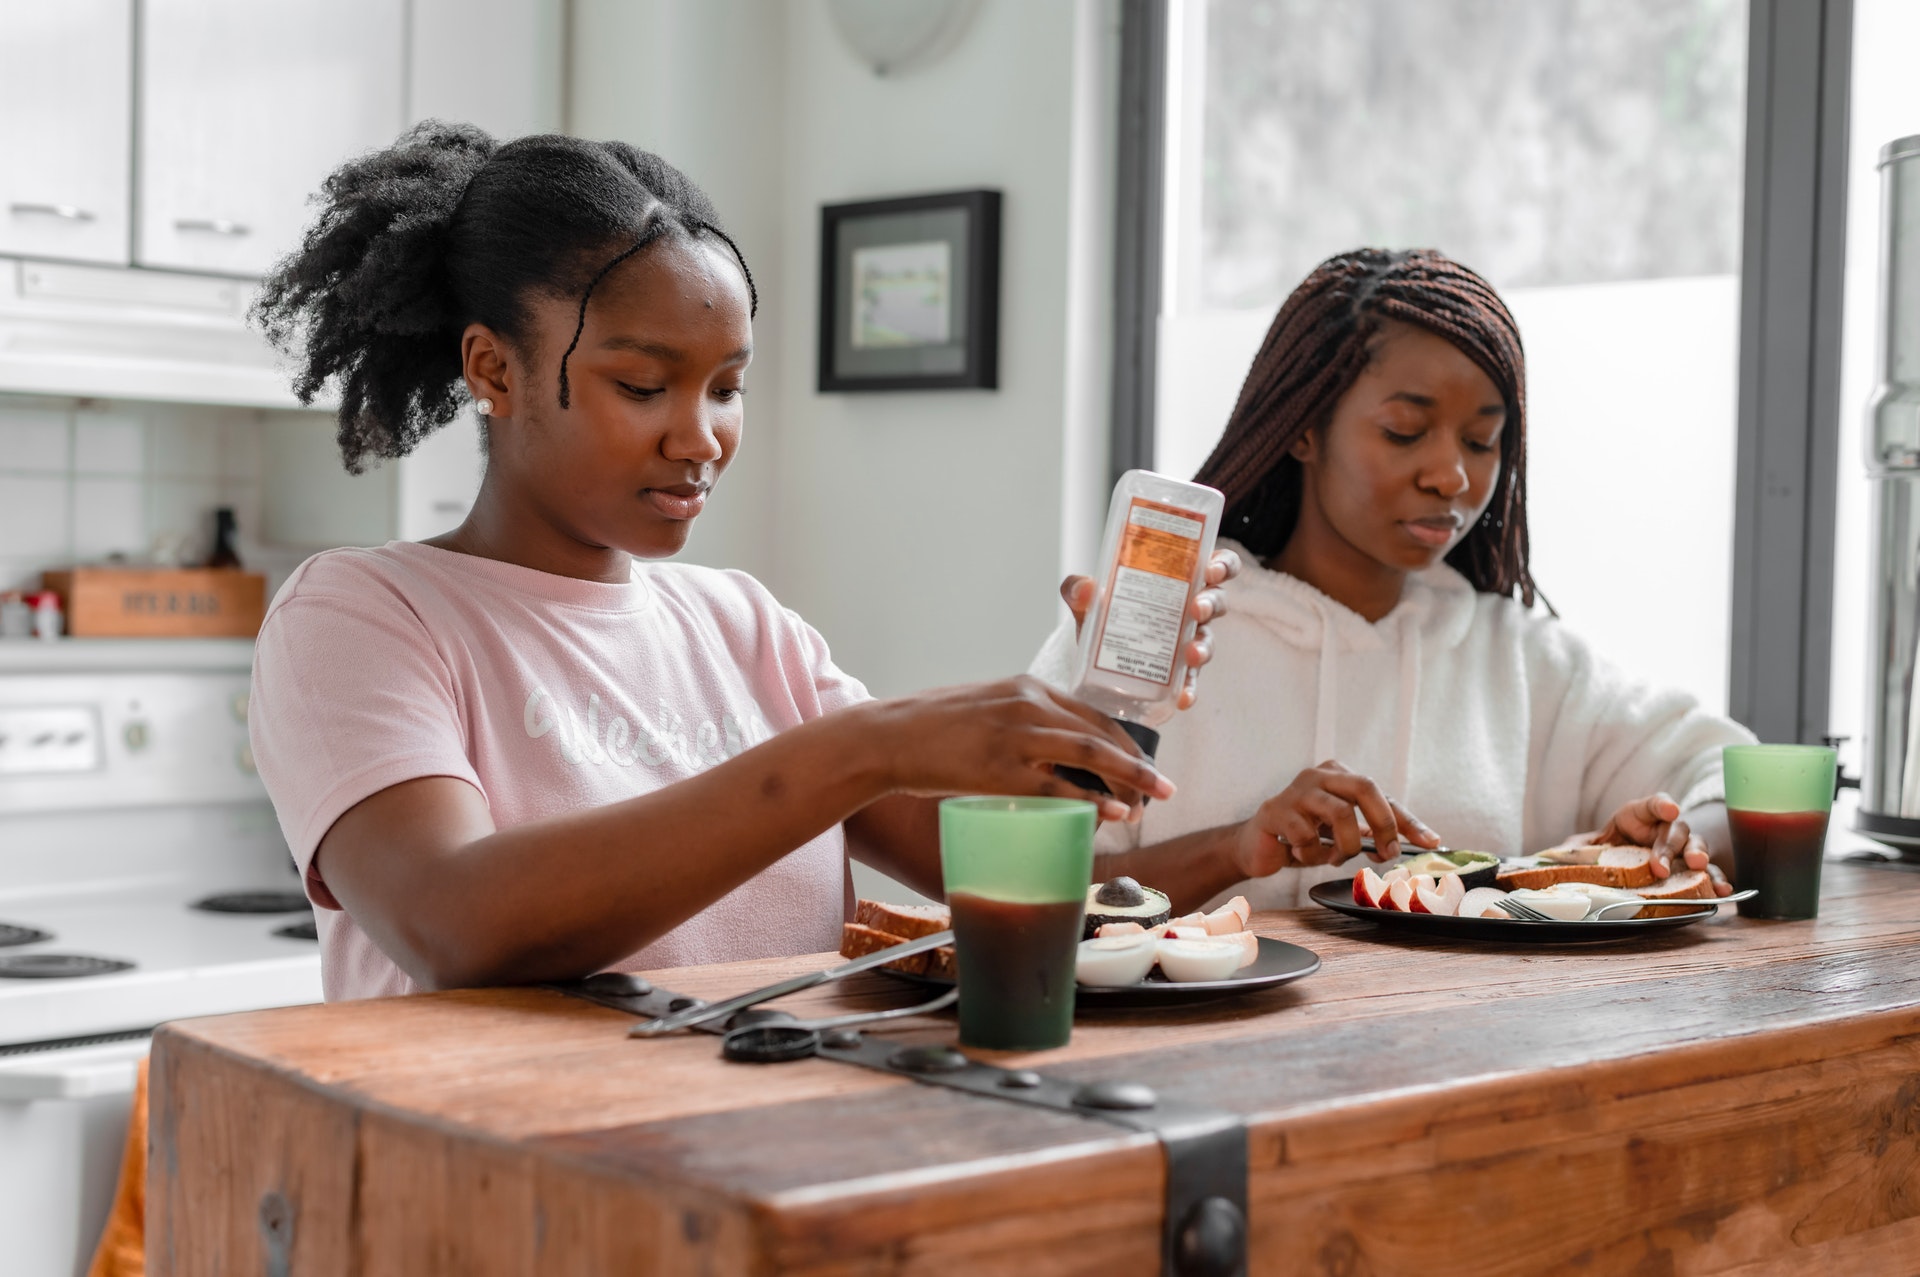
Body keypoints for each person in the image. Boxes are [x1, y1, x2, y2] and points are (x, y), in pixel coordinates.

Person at [236, 121, 1245, 1003]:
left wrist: (1109, 695)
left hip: (761, 1174)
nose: (702, 435)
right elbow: (453, 922)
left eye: (727, 386)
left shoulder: (745, 624)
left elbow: (1006, 872)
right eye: (643, 385)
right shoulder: (362, 614)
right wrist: (860, 749)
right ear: (495, 369)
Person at [1033, 247, 1750, 910]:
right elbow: (1027, 883)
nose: (1453, 476)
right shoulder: (1168, 627)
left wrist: (1676, 838)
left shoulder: (1520, 660)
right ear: (1303, 429)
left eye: (1482, 441)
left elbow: (1731, 772)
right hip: (1182, 1048)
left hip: (1465, 1048)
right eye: (1406, 430)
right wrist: (1234, 847)